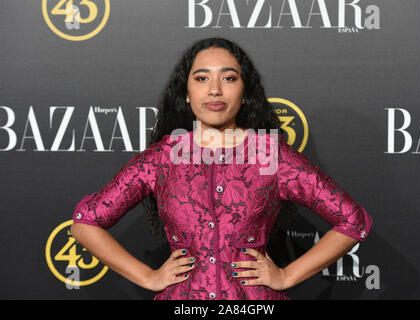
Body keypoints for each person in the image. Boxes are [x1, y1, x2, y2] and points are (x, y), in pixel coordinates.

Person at [71, 37, 372, 300]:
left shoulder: (270, 154)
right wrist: (148, 277)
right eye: (202, 79)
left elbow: (353, 220)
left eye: (228, 78)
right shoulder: (163, 157)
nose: (214, 90)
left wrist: (286, 276)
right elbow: (85, 223)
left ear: (244, 92)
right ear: (186, 92)